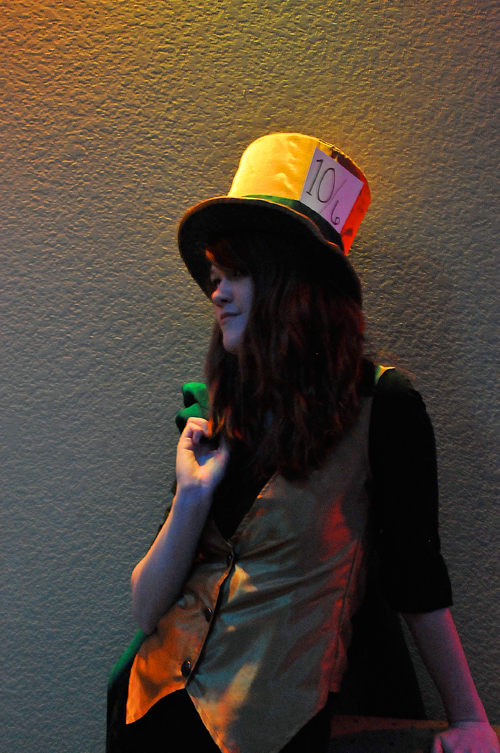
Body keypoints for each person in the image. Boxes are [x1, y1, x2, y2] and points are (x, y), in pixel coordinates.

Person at [107, 133, 499, 753]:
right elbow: (145, 606)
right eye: (215, 275)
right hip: (145, 715)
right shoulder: (213, 411)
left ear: (296, 281)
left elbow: (415, 575)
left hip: (271, 734)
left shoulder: (382, 408)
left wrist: (470, 719)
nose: (216, 292)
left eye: (237, 272)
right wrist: (190, 497)